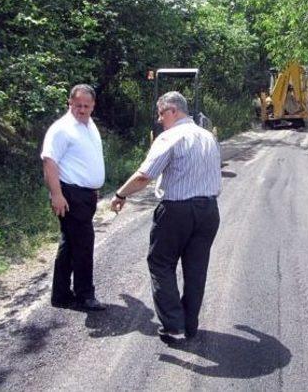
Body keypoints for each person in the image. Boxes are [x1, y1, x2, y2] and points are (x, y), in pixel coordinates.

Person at [110, 91, 221, 342]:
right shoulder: (208, 137)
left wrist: (120, 194)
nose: (160, 119)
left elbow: (144, 176)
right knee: (196, 269)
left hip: (177, 210)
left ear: (173, 111)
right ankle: (190, 324)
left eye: (161, 113)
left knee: (160, 263)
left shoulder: (170, 137)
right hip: (209, 211)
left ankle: (173, 324)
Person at [41, 84, 106, 311]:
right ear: (69, 103)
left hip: (85, 195)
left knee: (70, 244)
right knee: (84, 244)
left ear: (93, 105)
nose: (81, 109)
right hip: (70, 194)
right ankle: (85, 295)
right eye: (77, 105)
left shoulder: (89, 124)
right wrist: (56, 195)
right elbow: (49, 161)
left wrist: (93, 186)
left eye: (86, 106)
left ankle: (60, 295)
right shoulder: (62, 128)